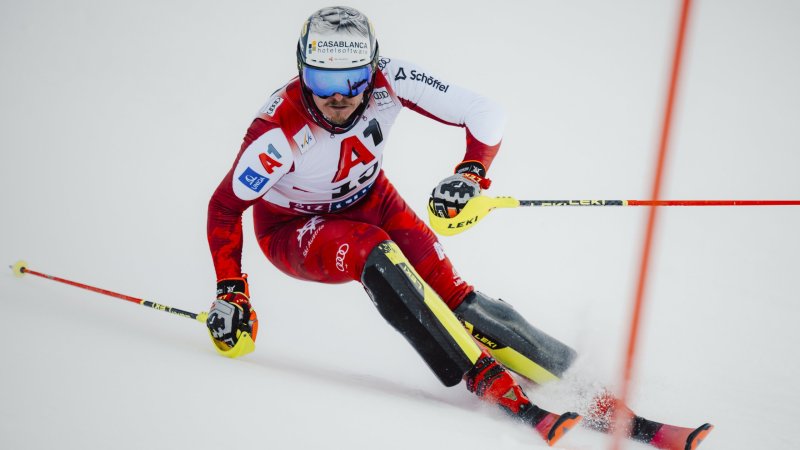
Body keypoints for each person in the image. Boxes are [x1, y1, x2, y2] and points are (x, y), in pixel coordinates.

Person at [204, 6, 711, 449]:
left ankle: (578, 383)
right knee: (373, 251)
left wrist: (471, 174)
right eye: (322, 81)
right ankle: (484, 377)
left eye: (353, 80)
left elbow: (485, 112)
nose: (339, 98)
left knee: (455, 294)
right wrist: (232, 290)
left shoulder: (390, 79)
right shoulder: (276, 134)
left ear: (373, 69)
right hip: (294, 228)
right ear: (301, 71)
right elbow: (225, 208)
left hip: (370, 200)